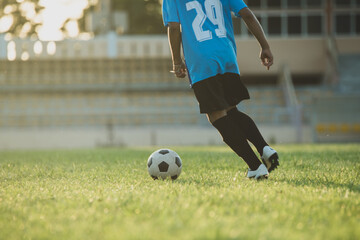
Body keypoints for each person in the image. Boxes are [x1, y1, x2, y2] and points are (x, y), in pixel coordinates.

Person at [162, 0, 279, 179]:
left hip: (202, 61)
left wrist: (177, 61)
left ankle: (255, 166)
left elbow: (174, 27)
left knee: (216, 116)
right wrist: (265, 46)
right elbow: (246, 14)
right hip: (227, 56)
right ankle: (264, 147)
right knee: (231, 110)